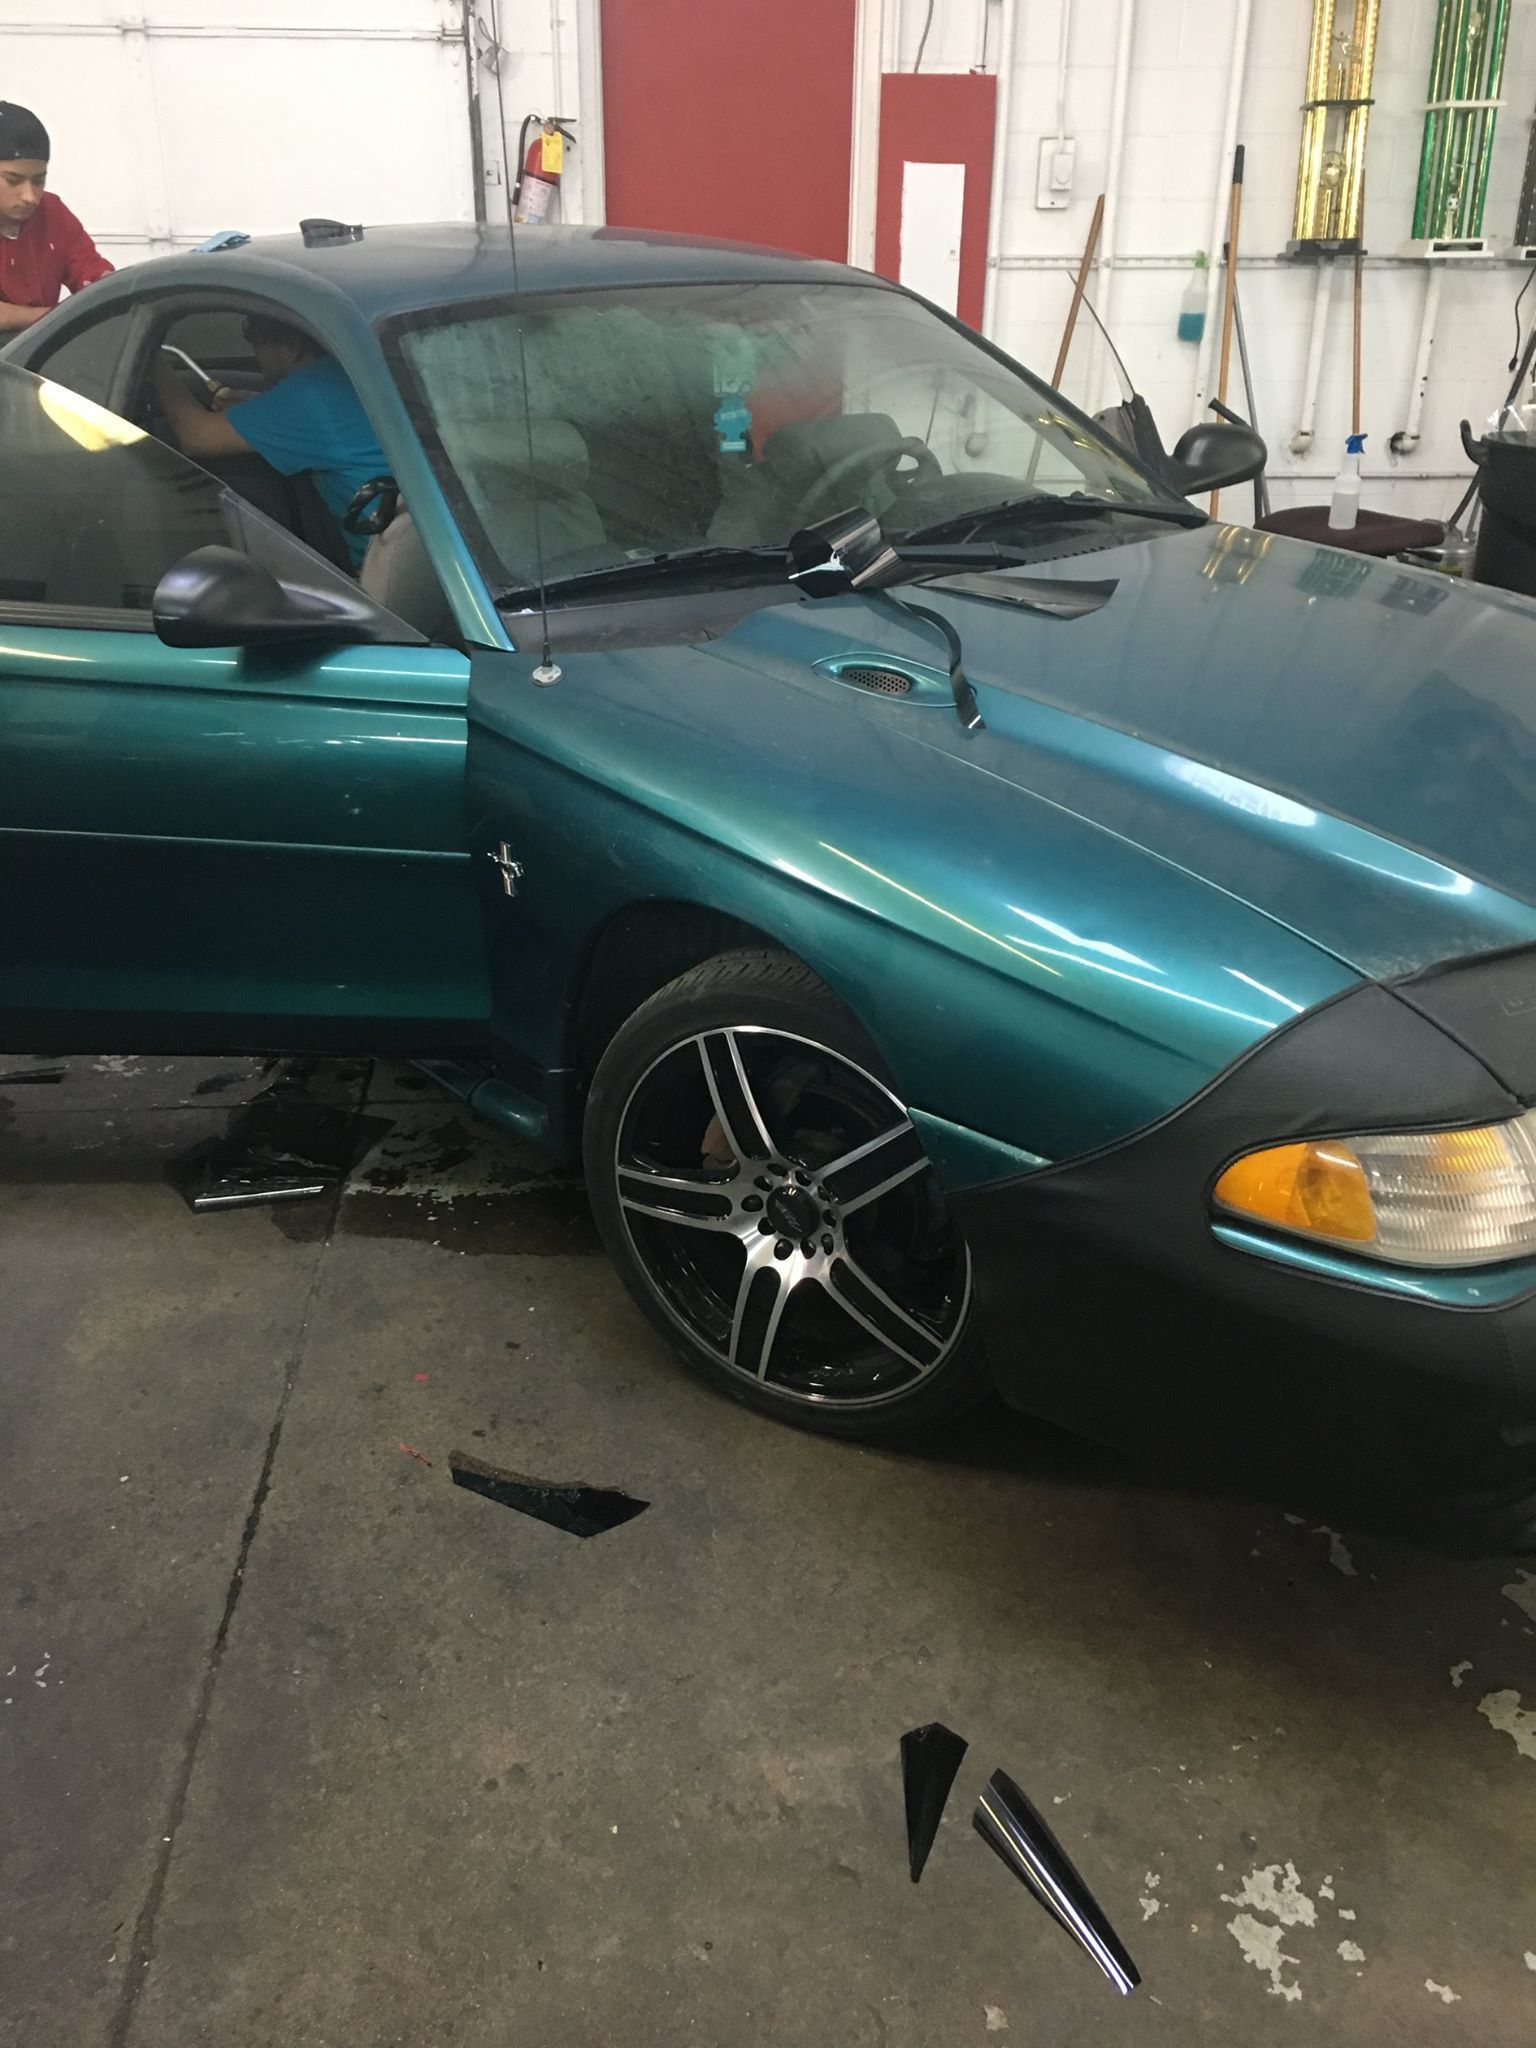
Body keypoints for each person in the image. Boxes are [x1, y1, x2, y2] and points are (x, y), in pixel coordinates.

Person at [151, 316, 390, 569]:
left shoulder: (310, 396)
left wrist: (153, 362)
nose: (257, 359)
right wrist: (257, 404)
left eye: (258, 346)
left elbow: (196, 436)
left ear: (291, 348)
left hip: (384, 573)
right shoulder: (344, 377)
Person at [0, 101, 113, 332]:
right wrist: (57, 317)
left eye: (39, 180)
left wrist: (107, 286)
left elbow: (89, 270)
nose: (30, 196)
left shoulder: (51, 211)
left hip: (36, 344)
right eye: (13, 181)